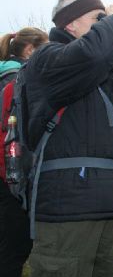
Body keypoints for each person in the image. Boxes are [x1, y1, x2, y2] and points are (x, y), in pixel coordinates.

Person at [24, 0, 113, 277]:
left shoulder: (99, 76)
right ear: (70, 25)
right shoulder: (48, 60)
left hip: (105, 202)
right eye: (99, 18)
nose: (107, 23)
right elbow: (92, 54)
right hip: (67, 209)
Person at [0, 28, 48, 277]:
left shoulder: (4, 74)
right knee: (14, 248)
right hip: (12, 173)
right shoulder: (18, 80)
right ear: (30, 50)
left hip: (5, 170)